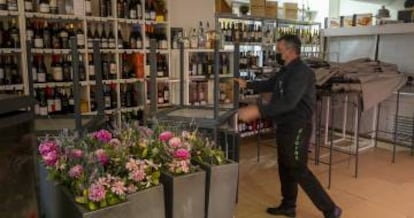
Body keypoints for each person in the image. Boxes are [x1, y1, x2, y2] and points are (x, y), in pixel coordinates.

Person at [236, 34, 342, 218]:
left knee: (298, 168)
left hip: (298, 126)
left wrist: (258, 111)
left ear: (291, 50)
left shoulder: (302, 72)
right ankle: (288, 205)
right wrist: (247, 84)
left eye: (280, 50)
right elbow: (270, 84)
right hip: (285, 125)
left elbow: (288, 102)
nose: (278, 53)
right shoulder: (286, 70)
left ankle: (331, 209)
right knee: (285, 165)